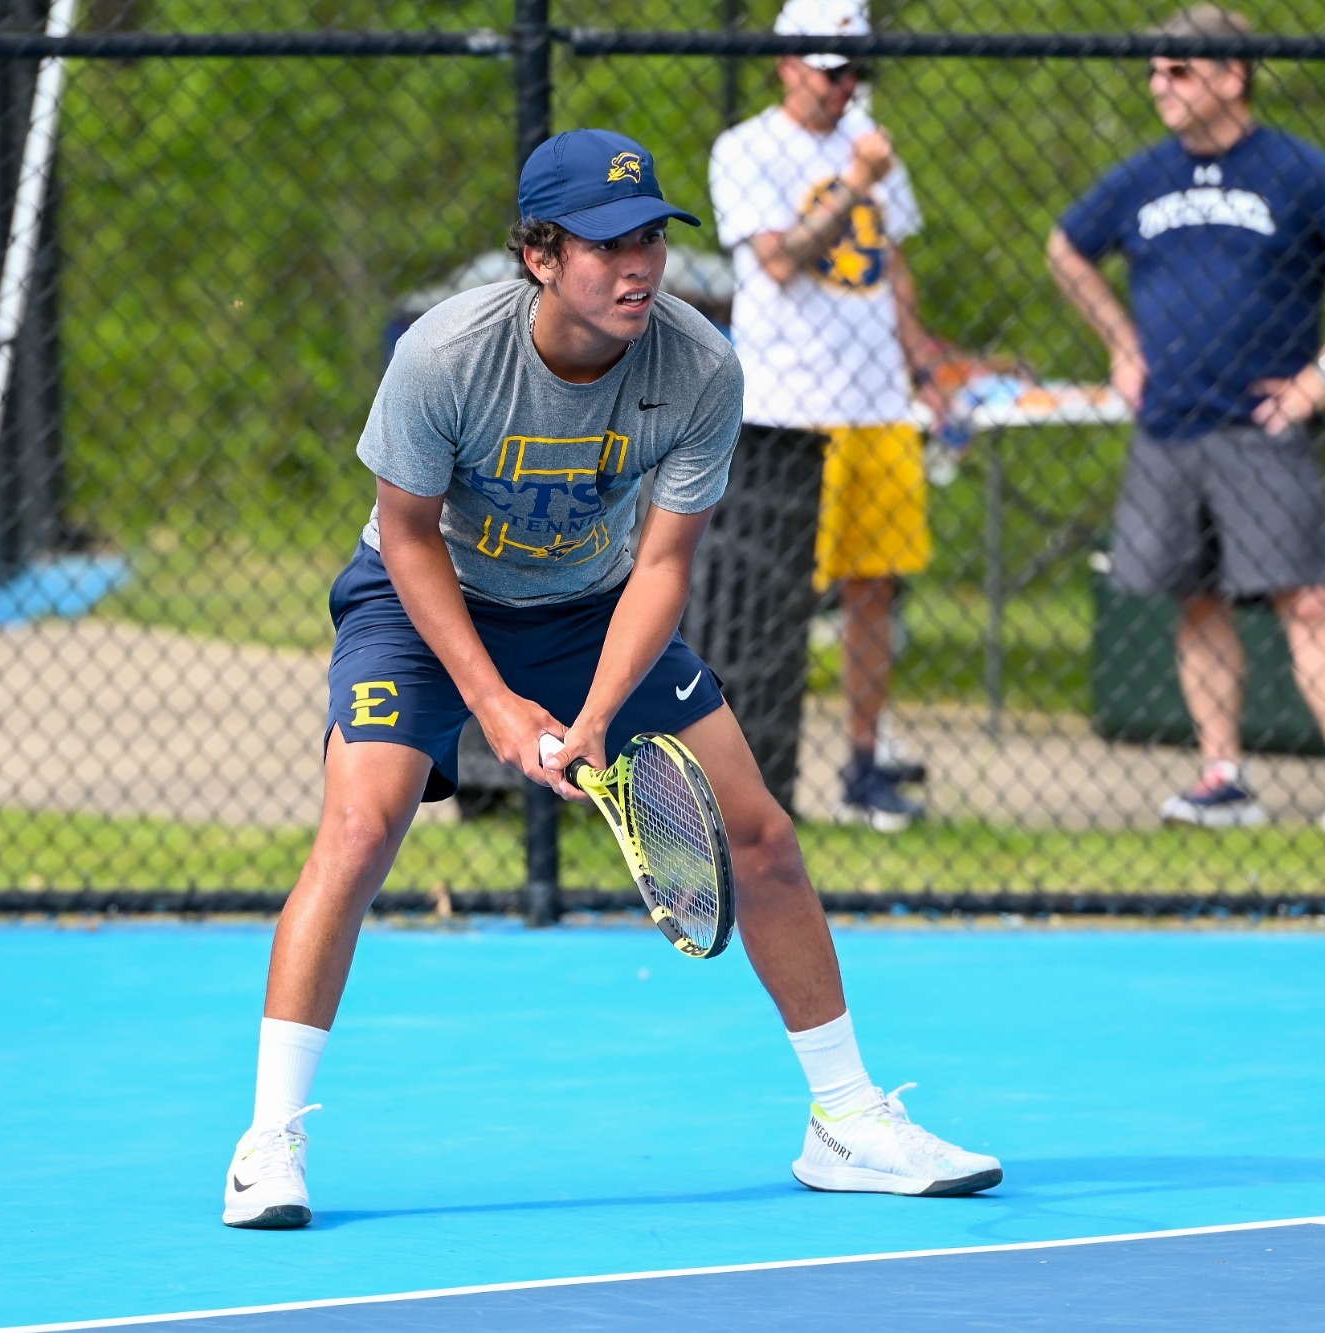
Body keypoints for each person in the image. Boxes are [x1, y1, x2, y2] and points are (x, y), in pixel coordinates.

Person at [221, 128, 1001, 1230]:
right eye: (603, 244)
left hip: (592, 608)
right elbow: (405, 539)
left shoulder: (698, 365)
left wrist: (589, 716)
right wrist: (491, 703)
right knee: (358, 831)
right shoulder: (444, 356)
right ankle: (267, 1142)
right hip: (420, 597)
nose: (637, 264)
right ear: (539, 255)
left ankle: (845, 1120)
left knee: (764, 834)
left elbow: (665, 561)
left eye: (649, 238)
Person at [1047, 4, 1325, 833]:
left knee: (1309, 599)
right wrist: (1121, 343)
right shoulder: (1144, 176)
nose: (1160, 86)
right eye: (1154, 71)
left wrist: (1324, 373)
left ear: (1231, 75)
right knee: (1197, 600)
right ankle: (1224, 777)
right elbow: (1065, 246)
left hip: (1261, 426)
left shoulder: (1295, 169)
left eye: (1179, 70)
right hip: (1169, 424)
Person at [709, 0, 956, 833]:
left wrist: (925, 361)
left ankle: (863, 762)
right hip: (788, 409)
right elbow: (777, 261)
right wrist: (855, 181)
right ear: (788, 65)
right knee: (773, 593)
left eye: (855, 71)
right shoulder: (748, 149)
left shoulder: (873, 148)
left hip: (878, 400)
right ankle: (751, 774)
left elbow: (893, 264)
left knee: (875, 589)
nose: (846, 87)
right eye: (830, 71)